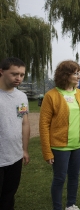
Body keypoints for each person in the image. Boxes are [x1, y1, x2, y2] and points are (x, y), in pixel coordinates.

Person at [39, 60, 80, 210]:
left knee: (74, 177)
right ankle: (57, 207)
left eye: (79, 73)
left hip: (79, 145)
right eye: (75, 73)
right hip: (59, 146)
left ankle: (71, 205)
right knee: (59, 178)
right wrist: (47, 151)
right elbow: (43, 125)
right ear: (65, 75)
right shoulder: (51, 96)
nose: (79, 76)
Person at [0, 57, 30, 209]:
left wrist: (24, 150)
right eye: (14, 74)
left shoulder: (21, 97)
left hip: (15, 156)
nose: (19, 78)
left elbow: (23, 122)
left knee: (8, 197)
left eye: (22, 75)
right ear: (1, 72)